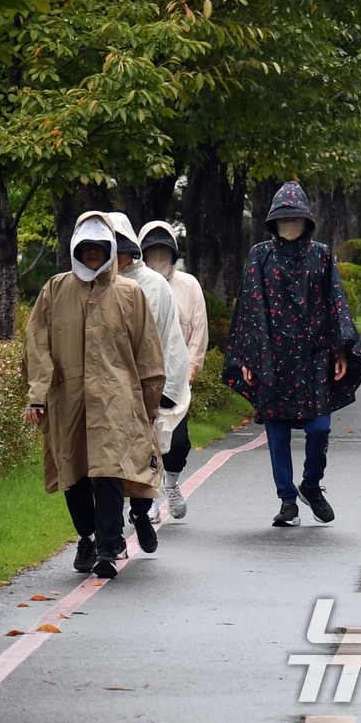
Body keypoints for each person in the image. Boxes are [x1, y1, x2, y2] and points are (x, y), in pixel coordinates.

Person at [23, 212, 167, 578]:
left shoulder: (130, 294)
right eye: (85, 247)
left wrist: (150, 403)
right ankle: (86, 537)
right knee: (73, 473)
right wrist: (38, 394)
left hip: (116, 400)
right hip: (67, 398)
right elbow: (37, 344)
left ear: (109, 248)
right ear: (75, 248)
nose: (92, 254)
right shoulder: (55, 290)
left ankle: (108, 545)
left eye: (98, 247)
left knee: (109, 472)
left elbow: (148, 352)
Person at [224, 181, 361, 527]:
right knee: (277, 433)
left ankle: (311, 484)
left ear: (305, 220)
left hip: (314, 356)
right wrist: (248, 358)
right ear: (273, 221)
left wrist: (342, 351)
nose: (289, 225)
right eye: (283, 219)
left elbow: (336, 304)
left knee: (319, 428)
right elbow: (250, 309)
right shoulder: (260, 255)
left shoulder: (322, 254)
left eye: (295, 219)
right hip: (272, 358)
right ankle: (287, 500)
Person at [106, 214, 193, 523]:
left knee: (164, 449)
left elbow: (171, 340)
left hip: (150, 390)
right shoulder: (91, 287)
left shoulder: (155, 286)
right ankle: (112, 532)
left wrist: (164, 393)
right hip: (109, 392)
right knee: (111, 465)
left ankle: (151, 503)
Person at [138, 219, 209, 522]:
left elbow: (199, 329)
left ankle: (171, 483)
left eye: (162, 252)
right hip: (142, 378)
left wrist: (192, 365)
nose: (158, 258)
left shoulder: (188, 285)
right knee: (147, 440)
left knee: (177, 442)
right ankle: (150, 498)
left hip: (176, 377)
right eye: (151, 252)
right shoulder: (133, 285)